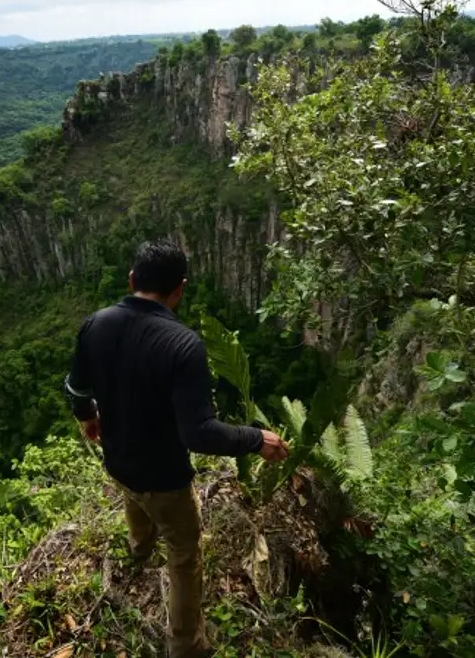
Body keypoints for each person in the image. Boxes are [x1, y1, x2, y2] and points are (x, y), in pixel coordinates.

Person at [64, 239, 290, 658]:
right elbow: (198, 434)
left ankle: (138, 550)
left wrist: (86, 415)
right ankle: (186, 646)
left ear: (131, 280)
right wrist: (256, 439)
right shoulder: (183, 345)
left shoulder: (95, 323)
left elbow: (77, 387)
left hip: (117, 460)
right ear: (180, 288)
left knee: (133, 497)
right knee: (184, 555)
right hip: (164, 478)